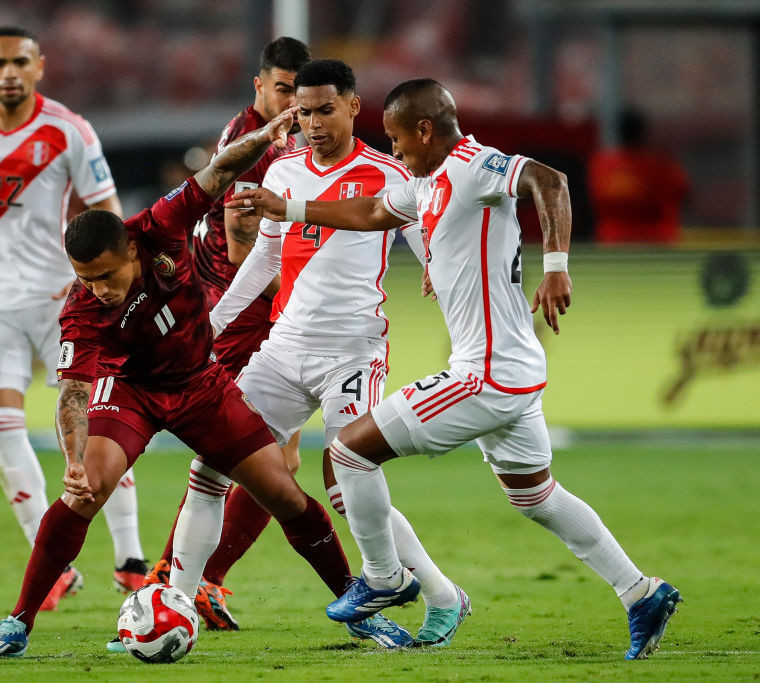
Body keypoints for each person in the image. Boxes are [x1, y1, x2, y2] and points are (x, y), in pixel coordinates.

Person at [229, 78, 682, 660]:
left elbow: (550, 180)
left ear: (425, 130)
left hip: (486, 373)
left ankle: (384, 577)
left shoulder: (473, 166)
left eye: (396, 139)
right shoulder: (425, 180)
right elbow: (371, 210)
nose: (393, 151)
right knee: (536, 496)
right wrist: (287, 207)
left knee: (347, 454)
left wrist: (557, 265)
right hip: (512, 370)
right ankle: (640, 591)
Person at [0, 107, 413, 659]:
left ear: (132, 250)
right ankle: (17, 621)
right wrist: (74, 460)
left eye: (106, 275)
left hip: (202, 386)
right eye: (86, 278)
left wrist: (264, 136)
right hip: (129, 393)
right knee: (85, 492)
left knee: (284, 496)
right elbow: (75, 393)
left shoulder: (159, 226)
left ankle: (360, 609)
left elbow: (219, 170)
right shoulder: (80, 310)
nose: (98, 289)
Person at [166, 59, 467, 647]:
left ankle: (439, 593)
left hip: (351, 351)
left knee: (346, 481)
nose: (314, 123)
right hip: (282, 349)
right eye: (303, 113)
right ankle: (175, 603)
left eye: (326, 110)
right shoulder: (283, 171)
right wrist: (214, 324)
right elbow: (266, 258)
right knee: (210, 467)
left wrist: (438, 268)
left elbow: (427, 239)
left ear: (354, 106)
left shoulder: (388, 172)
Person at [0, 26, 147, 610]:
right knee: (2, 426)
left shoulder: (68, 129)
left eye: (20, 62)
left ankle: (130, 558)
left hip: (62, 296)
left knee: (98, 421)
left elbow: (105, 207)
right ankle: (53, 563)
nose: (10, 72)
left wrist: (110, 275)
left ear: (39, 67)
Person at [144, 35, 311, 633]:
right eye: (283, 90)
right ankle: (174, 579)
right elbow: (243, 249)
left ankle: (197, 579)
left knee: (278, 458)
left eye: (301, 94)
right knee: (234, 456)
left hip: (267, 311)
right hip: (240, 312)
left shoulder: (287, 136)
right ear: (260, 85)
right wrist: (307, 297)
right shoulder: (252, 143)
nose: (293, 103)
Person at [588, 108, 689, 244]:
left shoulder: (600, 164)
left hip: (613, 241)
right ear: (643, 133)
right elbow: (683, 195)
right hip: (656, 240)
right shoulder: (660, 165)